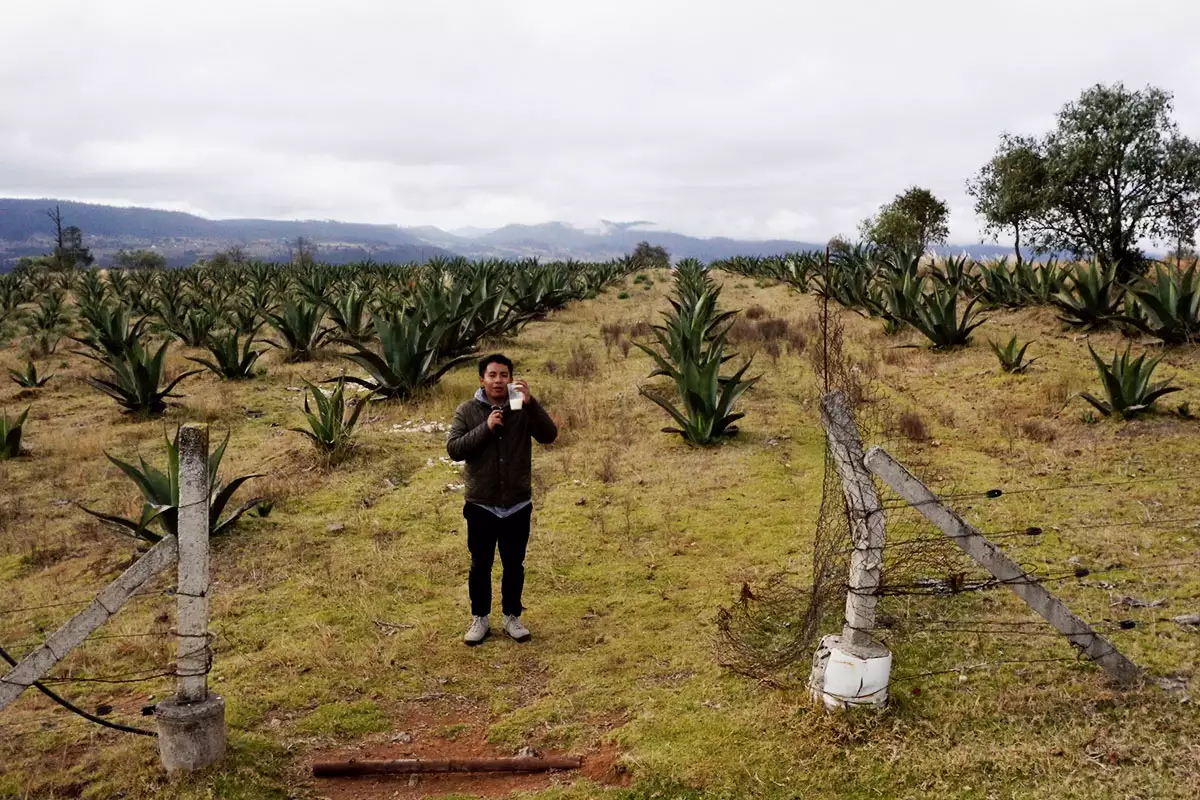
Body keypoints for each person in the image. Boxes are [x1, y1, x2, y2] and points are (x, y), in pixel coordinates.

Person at [447, 354, 558, 646]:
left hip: (517, 503)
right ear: (481, 379)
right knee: (480, 565)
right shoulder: (467, 410)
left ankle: (512, 617)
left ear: (511, 378)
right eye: (492, 375)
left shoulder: (521, 407)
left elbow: (549, 436)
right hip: (481, 503)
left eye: (504, 375)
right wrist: (486, 427)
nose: (498, 381)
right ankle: (480, 618)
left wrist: (532, 404)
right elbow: (454, 449)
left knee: (514, 564)